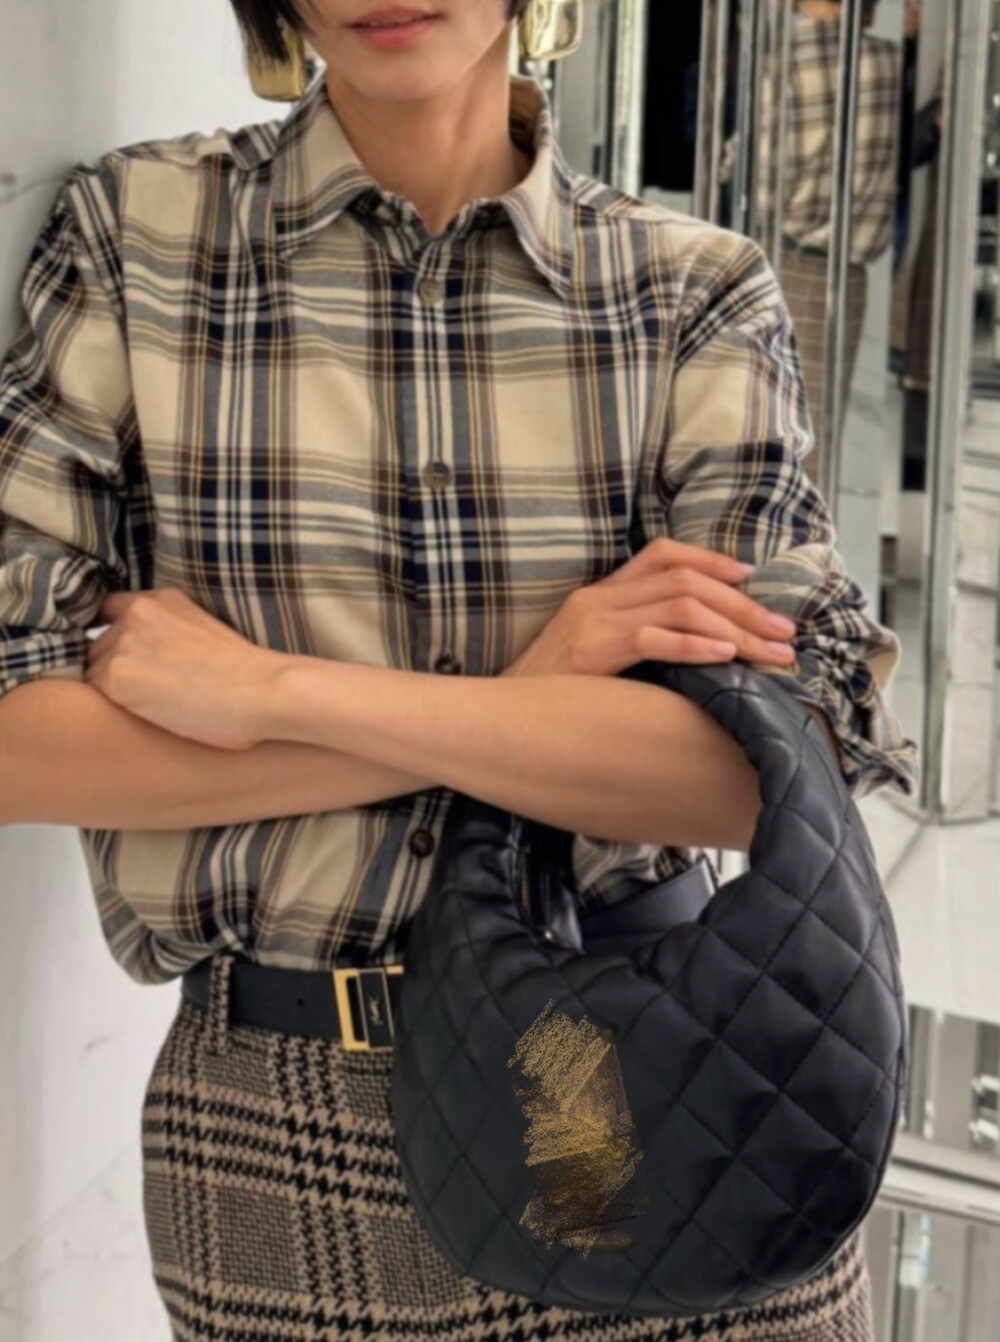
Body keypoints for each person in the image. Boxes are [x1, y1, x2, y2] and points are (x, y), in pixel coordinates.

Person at [0, 1, 919, 1339]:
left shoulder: (689, 292)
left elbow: (759, 776)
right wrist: (539, 697)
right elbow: (20, 742)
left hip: (646, 1084)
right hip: (283, 1133)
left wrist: (268, 695)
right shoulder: (137, 240)